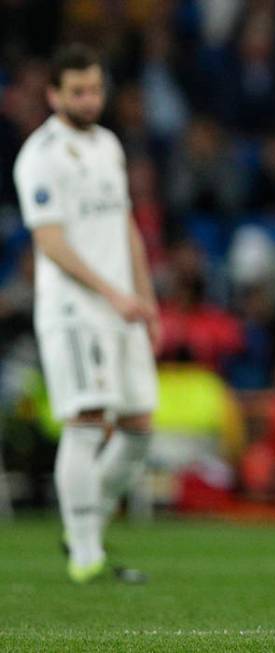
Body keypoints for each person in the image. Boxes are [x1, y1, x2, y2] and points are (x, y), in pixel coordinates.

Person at [13, 44, 160, 584]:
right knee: (88, 420)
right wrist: (109, 292)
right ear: (53, 94)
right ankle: (84, 554)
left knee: (140, 425)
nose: (89, 99)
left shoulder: (109, 146)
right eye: (77, 91)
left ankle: (85, 525)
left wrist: (145, 300)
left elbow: (124, 227)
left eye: (95, 89)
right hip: (76, 309)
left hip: (122, 308)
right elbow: (50, 241)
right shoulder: (40, 155)